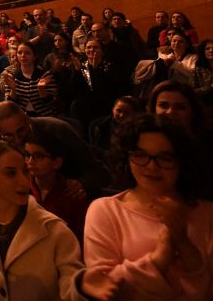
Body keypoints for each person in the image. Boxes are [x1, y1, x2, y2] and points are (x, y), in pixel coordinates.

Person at [81, 115, 213, 300]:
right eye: (140, 155)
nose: (152, 166)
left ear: (182, 162)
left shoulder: (207, 213)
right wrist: (159, 259)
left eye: (165, 158)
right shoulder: (106, 211)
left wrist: (183, 241)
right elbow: (103, 287)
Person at [0, 140, 85, 300]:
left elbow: (72, 287)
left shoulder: (55, 230)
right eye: (11, 173)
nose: (24, 181)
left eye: (26, 171)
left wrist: (84, 287)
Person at [0, 100, 110, 198]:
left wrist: (83, 184)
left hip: (69, 200)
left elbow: (99, 171)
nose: (17, 140)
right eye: (8, 135)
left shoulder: (57, 129)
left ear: (27, 118)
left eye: (21, 130)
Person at [23, 131, 89, 244]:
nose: (30, 162)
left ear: (57, 162)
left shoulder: (72, 194)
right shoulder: (22, 190)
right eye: (27, 155)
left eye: (39, 156)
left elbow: (81, 240)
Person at [0, 42, 61, 117]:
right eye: (20, 53)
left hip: (44, 117)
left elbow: (53, 104)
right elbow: (9, 106)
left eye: (27, 53)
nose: (23, 56)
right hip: (21, 118)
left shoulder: (45, 75)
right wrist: (13, 89)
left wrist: (41, 89)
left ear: (34, 56)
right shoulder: (12, 76)